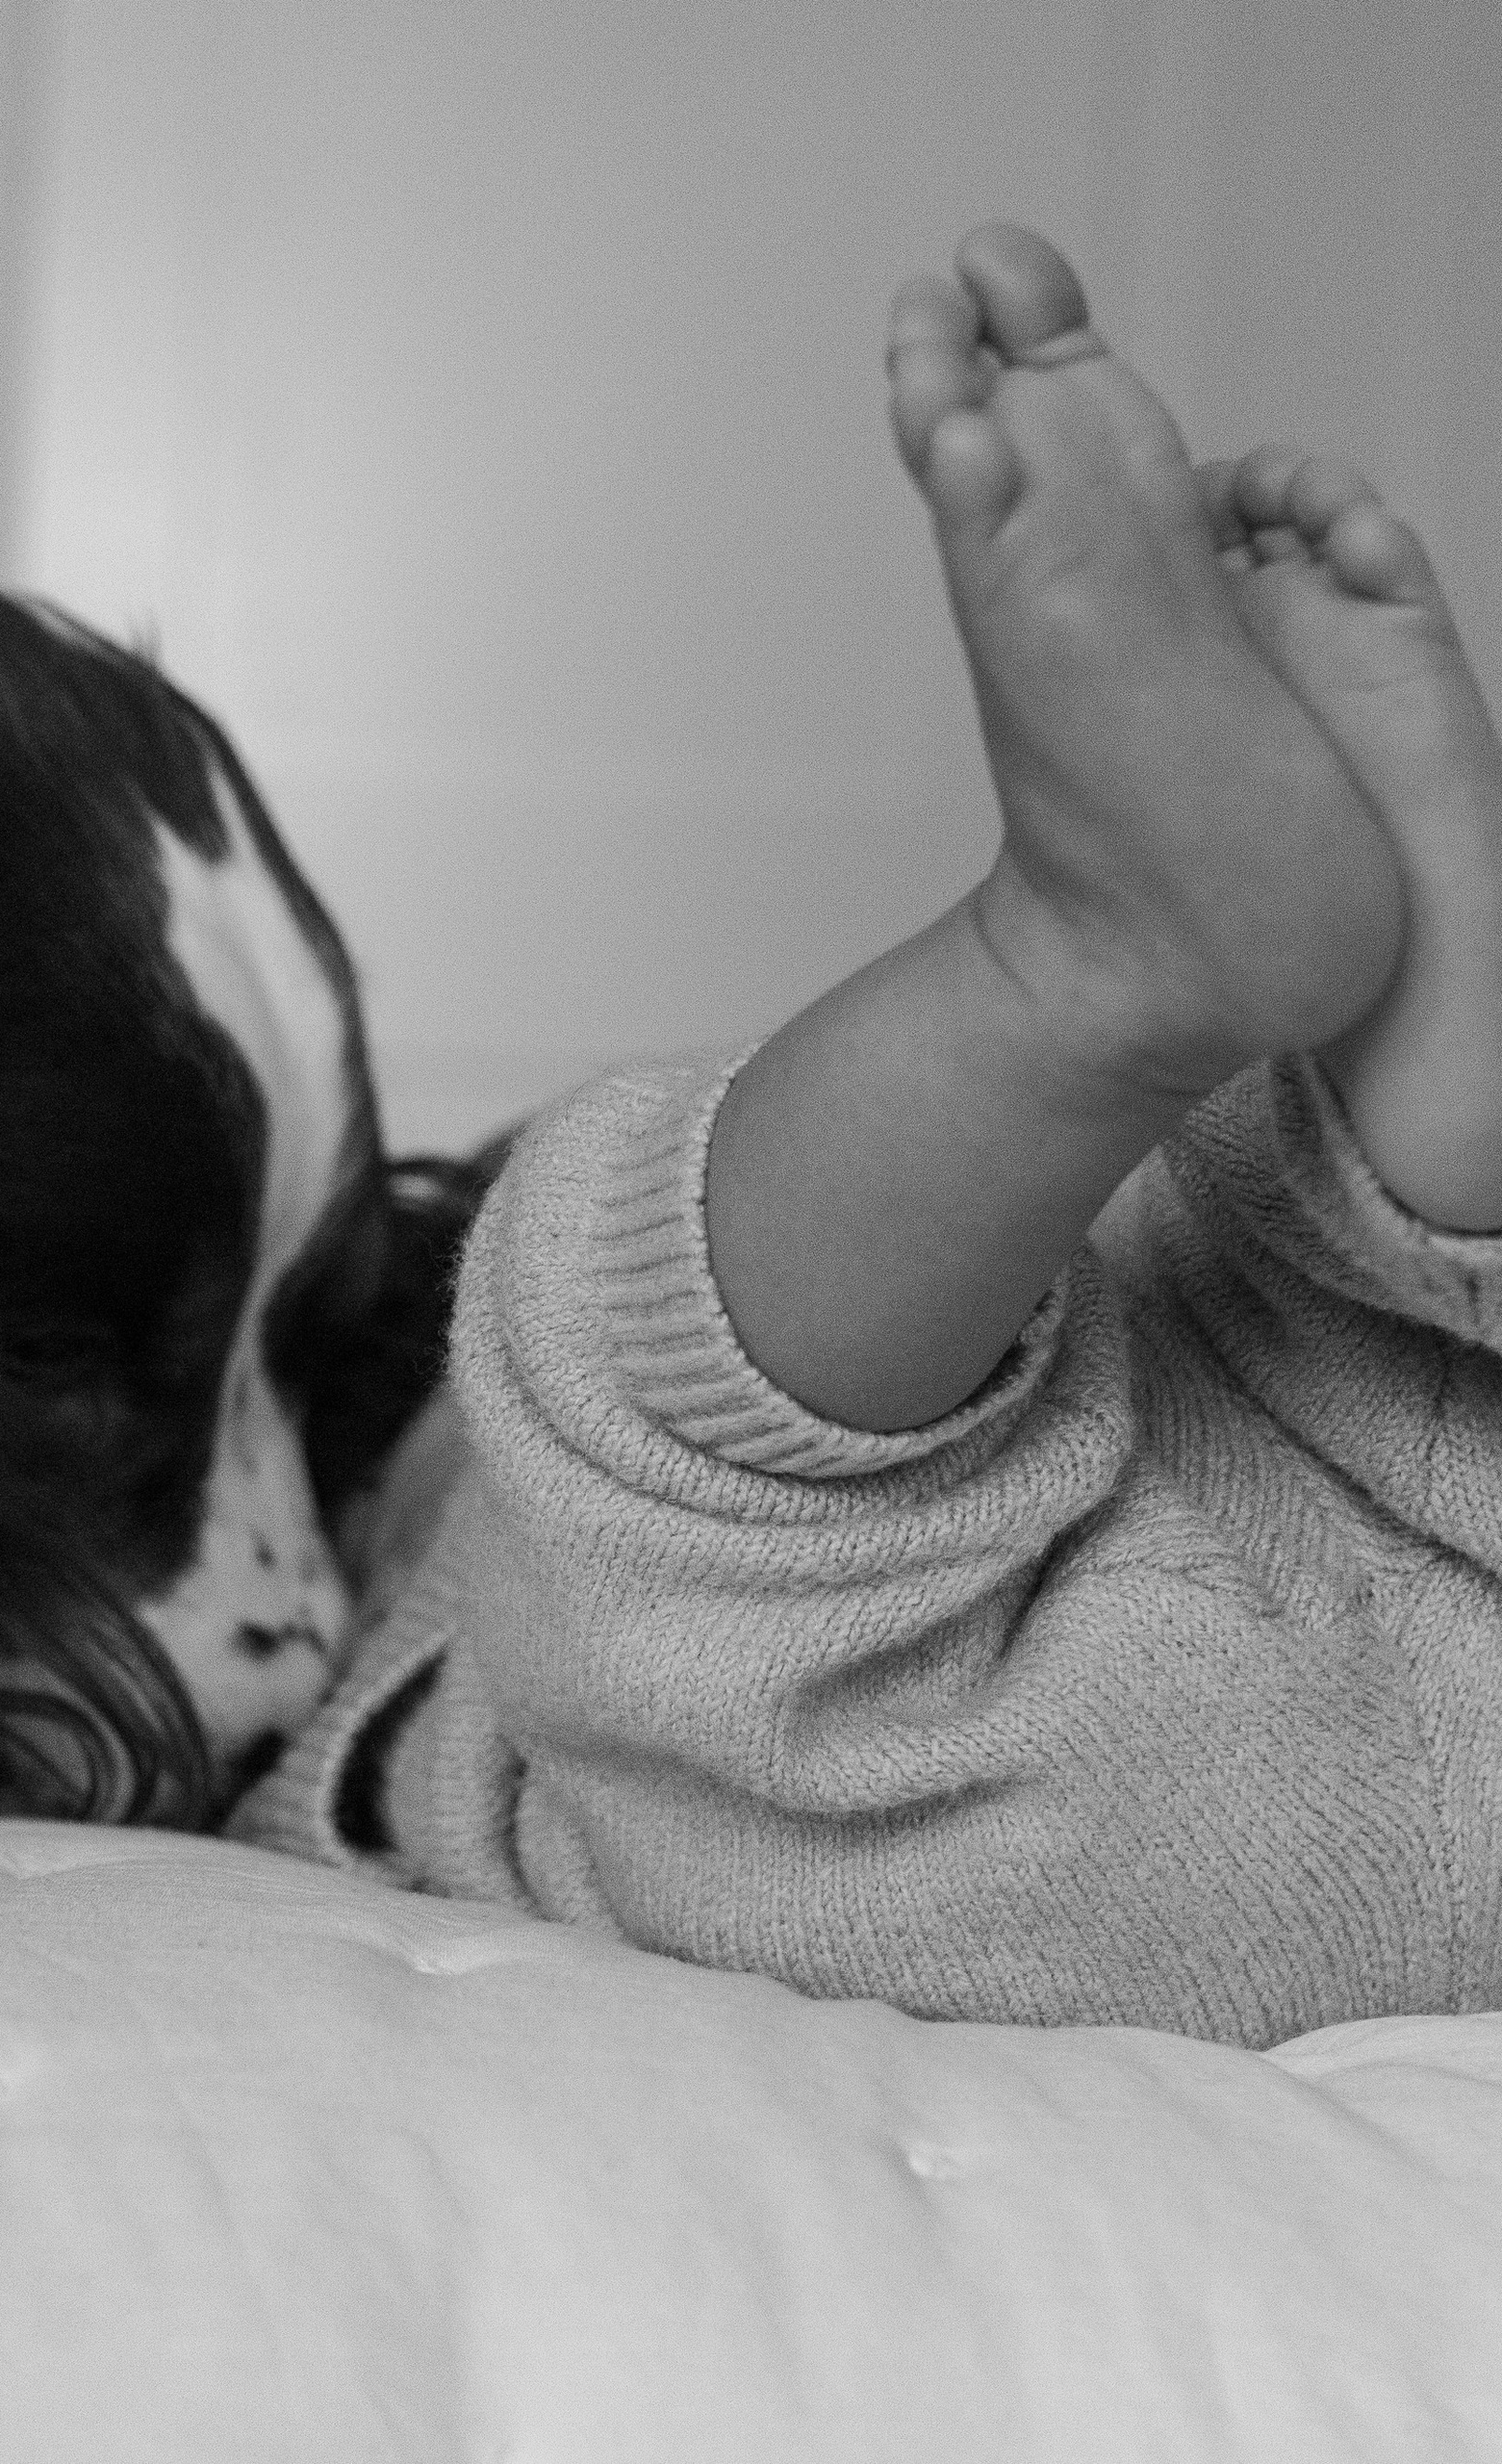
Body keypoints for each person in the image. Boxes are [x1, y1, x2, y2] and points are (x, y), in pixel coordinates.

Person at [235, 223, 1502, 2049]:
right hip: (1309, 1565)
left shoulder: (391, 1606)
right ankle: (1405, 1149)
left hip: (1135, 1768)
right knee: (771, 1388)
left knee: (723, 1501)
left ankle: (1125, 993)